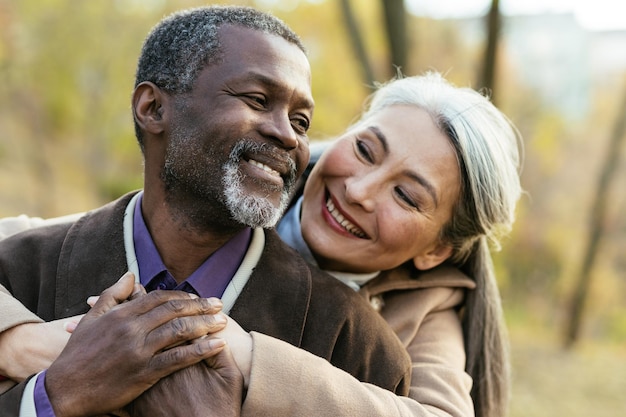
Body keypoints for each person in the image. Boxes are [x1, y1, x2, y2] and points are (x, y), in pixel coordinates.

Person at [0, 72, 522, 417]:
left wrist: (242, 355)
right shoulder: (246, 187)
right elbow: (46, 236)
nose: (359, 190)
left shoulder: (423, 310)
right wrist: (22, 341)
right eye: (365, 149)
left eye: (406, 196)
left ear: (435, 251)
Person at [0, 5, 412, 416]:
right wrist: (53, 396)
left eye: (301, 121)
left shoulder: (360, 348)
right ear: (153, 109)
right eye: (257, 99)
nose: (288, 135)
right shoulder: (17, 274)